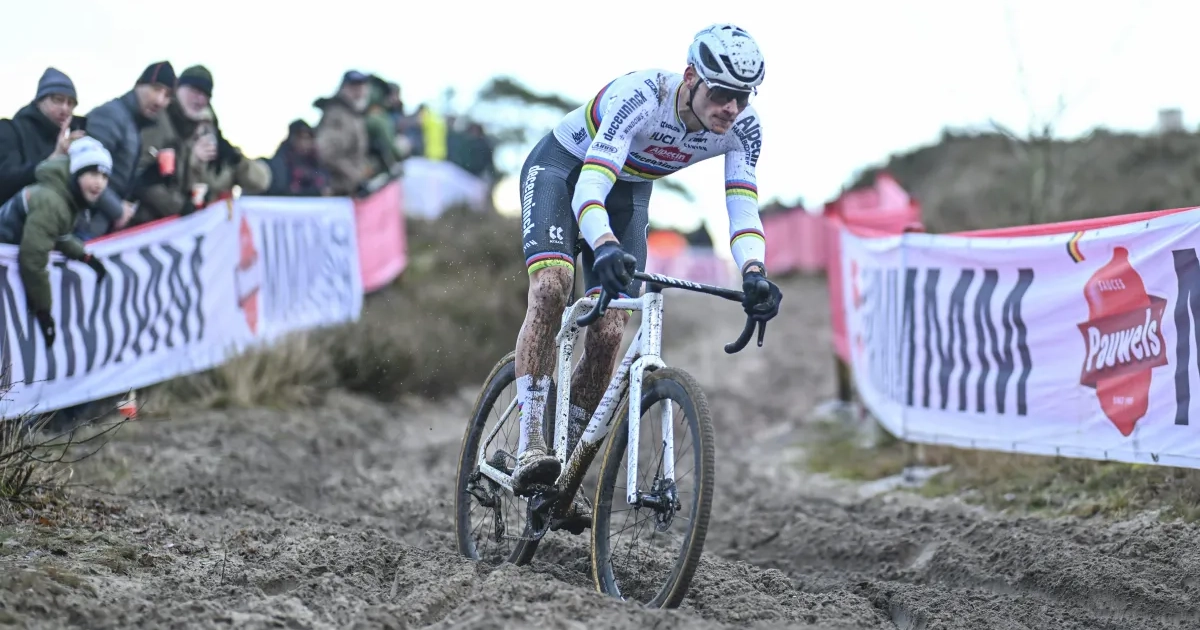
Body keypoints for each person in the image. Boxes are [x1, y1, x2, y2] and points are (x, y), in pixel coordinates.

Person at [510, 24, 784, 504]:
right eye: (721, 93)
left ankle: (565, 465)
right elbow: (591, 186)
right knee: (554, 286)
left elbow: (743, 208)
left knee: (611, 328)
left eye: (742, 97)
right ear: (690, 77)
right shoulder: (642, 96)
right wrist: (604, 245)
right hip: (565, 169)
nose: (731, 108)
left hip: (629, 191)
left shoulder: (745, 128)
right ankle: (530, 442)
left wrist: (754, 272)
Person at [0, 136, 111, 348]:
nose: (99, 183)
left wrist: (85, 257)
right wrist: (44, 311)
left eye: (105, 176)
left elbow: (59, 236)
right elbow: (33, 259)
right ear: (77, 173)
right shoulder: (52, 201)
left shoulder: (64, 197)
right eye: (92, 173)